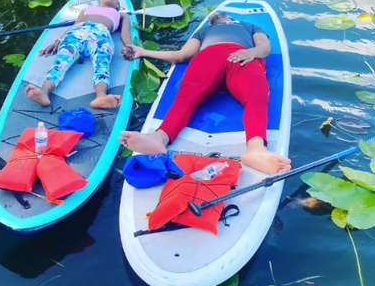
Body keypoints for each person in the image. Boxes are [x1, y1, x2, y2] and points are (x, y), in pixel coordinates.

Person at [118, 11, 292, 174]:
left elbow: (265, 46)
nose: (215, 15)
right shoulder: (204, 31)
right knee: (186, 96)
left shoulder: (248, 26)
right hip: (209, 56)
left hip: (241, 54)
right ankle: (159, 138)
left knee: (256, 96)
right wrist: (143, 52)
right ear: (210, 21)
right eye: (212, 16)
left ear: (230, 18)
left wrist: (251, 52)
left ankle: (256, 150)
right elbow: (182, 55)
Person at [24, 0, 132, 109]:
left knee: (102, 63)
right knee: (60, 63)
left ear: (117, 6)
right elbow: (74, 25)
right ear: (100, 2)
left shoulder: (122, 15)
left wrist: (129, 45)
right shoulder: (88, 9)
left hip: (100, 33)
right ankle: (44, 92)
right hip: (76, 32)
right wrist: (58, 40)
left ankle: (101, 96)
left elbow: (125, 32)